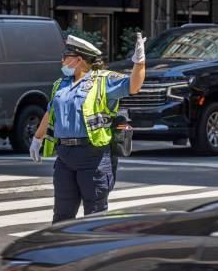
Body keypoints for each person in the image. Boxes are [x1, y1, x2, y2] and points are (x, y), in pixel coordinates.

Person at [31, 33, 146, 223]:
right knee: (61, 215)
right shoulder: (61, 84)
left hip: (93, 156)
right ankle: (62, 251)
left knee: (95, 215)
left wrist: (139, 62)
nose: (61, 60)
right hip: (64, 155)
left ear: (78, 60)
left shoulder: (103, 80)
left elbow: (133, 86)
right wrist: (37, 139)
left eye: (65, 56)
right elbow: (51, 112)